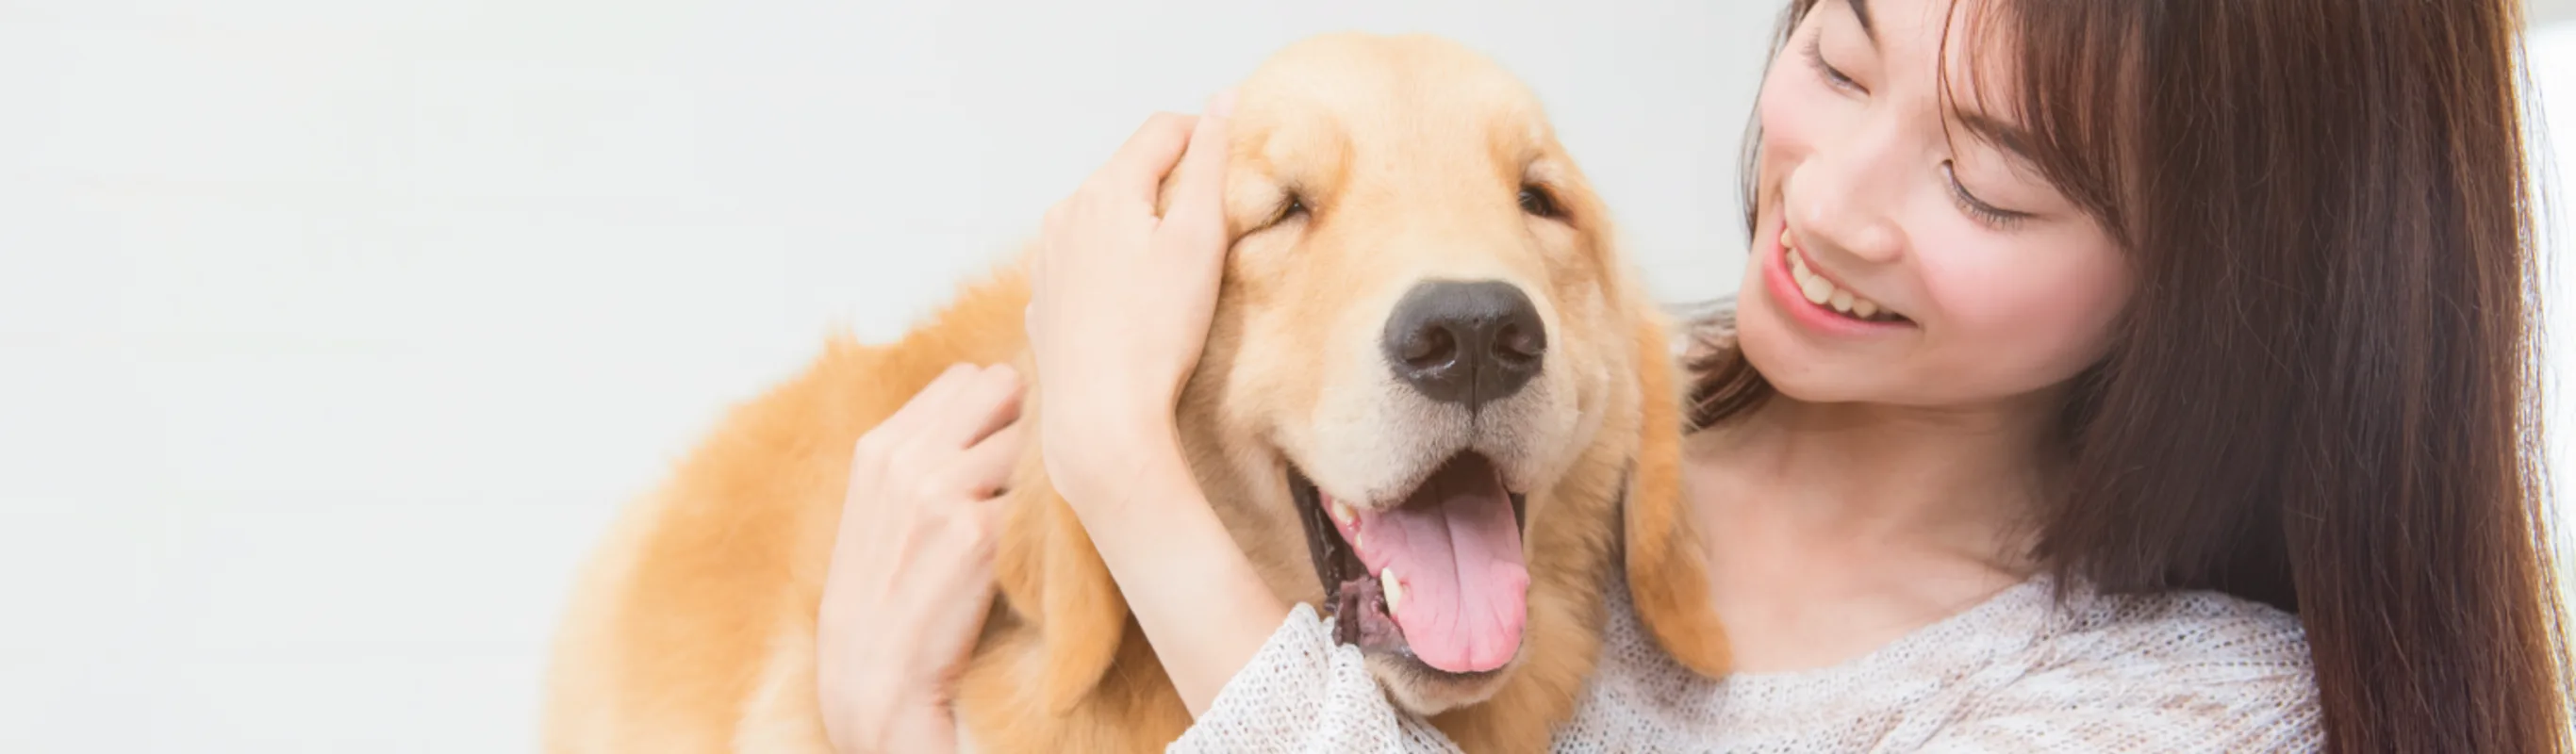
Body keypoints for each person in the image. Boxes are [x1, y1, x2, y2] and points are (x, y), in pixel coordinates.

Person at [816, 0, 2574, 751]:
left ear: (2227, 281)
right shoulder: (1548, 421)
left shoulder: (2202, 709)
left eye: (1989, 181)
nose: (1834, 200)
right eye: (1837, 53)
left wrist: (1120, 462)